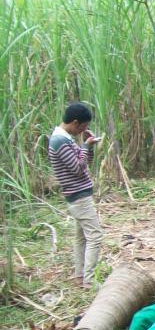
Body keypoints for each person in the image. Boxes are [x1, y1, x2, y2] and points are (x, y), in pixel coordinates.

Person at [48, 102, 104, 287]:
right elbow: (77, 169)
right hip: (78, 196)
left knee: (81, 237)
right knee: (95, 236)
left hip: (79, 195)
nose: (84, 131)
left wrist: (89, 146)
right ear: (75, 123)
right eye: (84, 127)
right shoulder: (60, 141)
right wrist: (86, 146)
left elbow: (84, 161)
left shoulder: (66, 139)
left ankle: (80, 275)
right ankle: (89, 280)